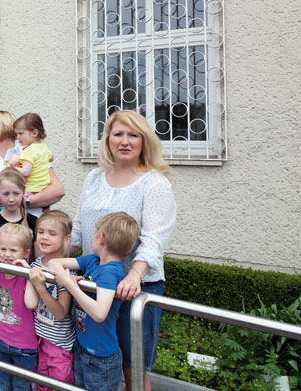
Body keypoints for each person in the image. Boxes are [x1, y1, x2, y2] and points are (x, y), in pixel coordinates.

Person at [72, 110, 177, 391]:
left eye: (133, 135)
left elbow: (153, 240)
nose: (125, 141)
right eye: (118, 134)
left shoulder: (154, 183)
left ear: (144, 141)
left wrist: (134, 276)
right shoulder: (94, 177)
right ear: (108, 140)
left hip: (133, 290)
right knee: (95, 358)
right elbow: (81, 226)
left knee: (133, 366)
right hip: (97, 282)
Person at [51, 212, 141, 391]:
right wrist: (67, 277)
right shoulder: (93, 261)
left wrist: (70, 284)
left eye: (93, 234)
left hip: (101, 358)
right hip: (82, 347)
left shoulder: (110, 273)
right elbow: (54, 263)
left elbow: (100, 313)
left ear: (101, 238)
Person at [0, 110, 65, 225]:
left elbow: (57, 190)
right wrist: (9, 200)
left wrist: (26, 201)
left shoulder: (31, 150)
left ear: (2, 127)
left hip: (30, 221)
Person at [0, 223, 38, 391]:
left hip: (25, 348)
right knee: (1, 385)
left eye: (13, 250)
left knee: (22, 387)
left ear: (26, 253)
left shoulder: (30, 275)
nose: (7, 254)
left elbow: (31, 303)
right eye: (3, 249)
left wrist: (28, 275)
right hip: (0, 341)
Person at [27, 210, 76, 391]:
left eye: (52, 233)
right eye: (41, 232)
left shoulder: (66, 270)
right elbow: (31, 303)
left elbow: (61, 313)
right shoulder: (37, 264)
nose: (44, 237)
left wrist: (40, 287)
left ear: (66, 238)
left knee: (59, 386)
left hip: (59, 346)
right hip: (39, 339)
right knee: (40, 385)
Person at [0, 168, 37, 259]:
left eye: (16, 193)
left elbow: (38, 259)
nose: (11, 199)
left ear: (23, 192)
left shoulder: (33, 222)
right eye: (6, 194)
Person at [12, 113, 52, 216]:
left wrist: (11, 169)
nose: (17, 137)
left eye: (21, 134)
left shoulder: (28, 151)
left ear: (34, 133)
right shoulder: (43, 146)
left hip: (31, 190)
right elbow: (51, 158)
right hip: (44, 191)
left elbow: (26, 172)